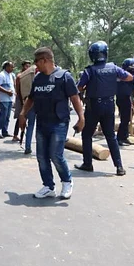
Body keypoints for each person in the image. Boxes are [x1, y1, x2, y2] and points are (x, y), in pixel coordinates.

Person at [19, 47, 84, 199]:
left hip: (59, 123)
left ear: (45, 60)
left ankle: (67, 181)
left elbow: (75, 98)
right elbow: (31, 98)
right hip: (42, 122)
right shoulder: (38, 78)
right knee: (41, 156)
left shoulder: (64, 77)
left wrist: (81, 117)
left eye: (37, 61)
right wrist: (23, 113)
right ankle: (48, 186)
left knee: (56, 155)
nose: (35, 65)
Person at [75, 41, 133, 176]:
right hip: (109, 105)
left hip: (93, 106)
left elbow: (78, 87)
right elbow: (129, 77)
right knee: (110, 136)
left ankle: (88, 163)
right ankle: (119, 167)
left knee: (87, 134)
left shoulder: (89, 71)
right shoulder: (114, 68)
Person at [0, 61, 16, 138]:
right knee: (3, 116)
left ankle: (5, 131)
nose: (12, 68)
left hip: (10, 99)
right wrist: (7, 92)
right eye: (11, 67)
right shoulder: (2, 75)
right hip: (4, 99)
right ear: (6, 67)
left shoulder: (11, 75)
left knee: (7, 116)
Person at [12, 60, 32, 142]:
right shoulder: (20, 76)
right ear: (23, 66)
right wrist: (21, 101)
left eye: (28, 66)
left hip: (28, 99)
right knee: (20, 117)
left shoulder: (30, 75)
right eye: (26, 66)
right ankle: (15, 135)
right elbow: (18, 90)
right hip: (21, 99)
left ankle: (24, 136)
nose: (27, 68)